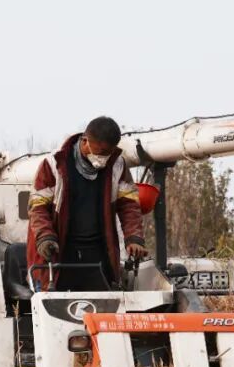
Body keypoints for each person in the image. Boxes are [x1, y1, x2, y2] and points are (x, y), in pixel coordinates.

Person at [27, 116, 147, 291]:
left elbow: (129, 205)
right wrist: (45, 237)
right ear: (85, 141)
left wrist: (134, 238)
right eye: (99, 153)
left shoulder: (117, 166)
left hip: (98, 254)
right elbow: (37, 207)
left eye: (108, 154)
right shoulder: (54, 164)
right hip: (60, 252)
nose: (103, 159)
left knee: (104, 307)